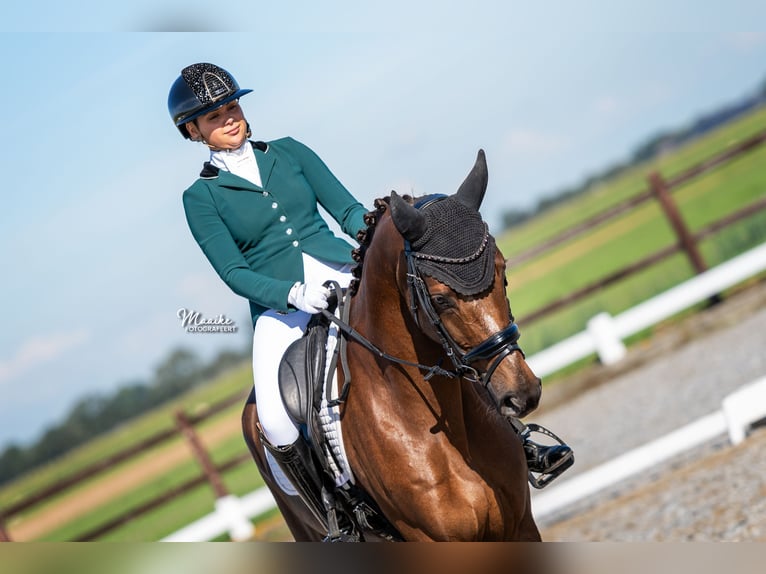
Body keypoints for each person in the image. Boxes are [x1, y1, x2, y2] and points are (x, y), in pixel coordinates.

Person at [168, 63, 572, 520]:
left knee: (439, 335)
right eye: (214, 117)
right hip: (283, 310)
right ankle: (331, 513)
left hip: (346, 275)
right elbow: (232, 270)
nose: (229, 119)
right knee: (276, 422)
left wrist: (391, 237)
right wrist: (293, 295)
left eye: (233, 106)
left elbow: (347, 212)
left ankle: (517, 442)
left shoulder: (290, 152)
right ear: (193, 130)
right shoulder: (200, 198)